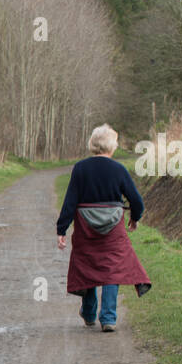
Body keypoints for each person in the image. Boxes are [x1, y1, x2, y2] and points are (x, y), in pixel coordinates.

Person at [55, 124, 151, 332]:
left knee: (88, 266)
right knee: (112, 268)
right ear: (112, 146)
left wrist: (62, 229)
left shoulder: (80, 168)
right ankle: (108, 318)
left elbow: (70, 201)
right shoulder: (118, 169)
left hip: (85, 228)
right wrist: (135, 218)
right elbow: (136, 200)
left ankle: (89, 314)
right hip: (113, 228)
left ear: (92, 145)